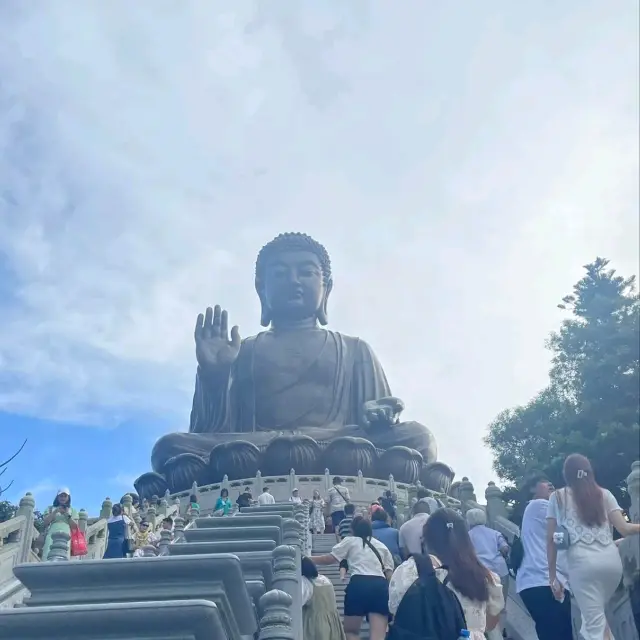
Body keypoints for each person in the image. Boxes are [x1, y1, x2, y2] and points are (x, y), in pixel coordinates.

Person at [547, 454, 640, 640]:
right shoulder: (604, 494)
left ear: (567, 474)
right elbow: (624, 528)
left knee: (595, 625)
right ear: (589, 472)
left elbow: (551, 538)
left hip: (582, 567)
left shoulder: (557, 497)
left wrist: (552, 576)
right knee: (596, 620)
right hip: (611, 566)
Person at [389, 508, 504, 640]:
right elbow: (490, 624)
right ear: (466, 537)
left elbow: (396, 611)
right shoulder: (484, 575)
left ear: (426, 539)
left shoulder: (409, 570)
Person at [312, 515, 394, 640]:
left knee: (351, 632)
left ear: (353, 529)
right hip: (379, 585)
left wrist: (306, 559)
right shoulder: (382, 546)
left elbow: (329, 559)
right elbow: (389, 575)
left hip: (359, 585)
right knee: (378, 636)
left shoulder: (350, 541)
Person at [516, 471, 572, 640]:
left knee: (555, 633)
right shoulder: (538, 505)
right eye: (543, 482)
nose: (550, 484)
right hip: (542, 581)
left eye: (551, 482)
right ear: (533, 489)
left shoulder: (539, 514)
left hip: (541, 582)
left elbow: (565, 541)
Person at [466, 508, 509, 639]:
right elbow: (505, 548)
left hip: (480, 573)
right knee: (500, 605)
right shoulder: (495, 533)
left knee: (482, 606)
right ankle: (502, 632)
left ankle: (487, 633)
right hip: (500, 571)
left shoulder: (467, 536)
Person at [301, 556, 346, 640]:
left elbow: (297, 602)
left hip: (314, 624)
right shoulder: (325, 579)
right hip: (332, 622)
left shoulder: (305, 583)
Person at [42, 488, 79, 561]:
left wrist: (67, 514)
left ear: (68, 498)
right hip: (52, 533)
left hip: (66, 535)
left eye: (65, 496)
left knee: (63, 555)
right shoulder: (50, 508)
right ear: (57, 497)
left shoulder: (72, 510)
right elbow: (45, 522)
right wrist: (55, 511)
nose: (63, 498)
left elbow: (75, 526)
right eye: (61, 496)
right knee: (48, 554)